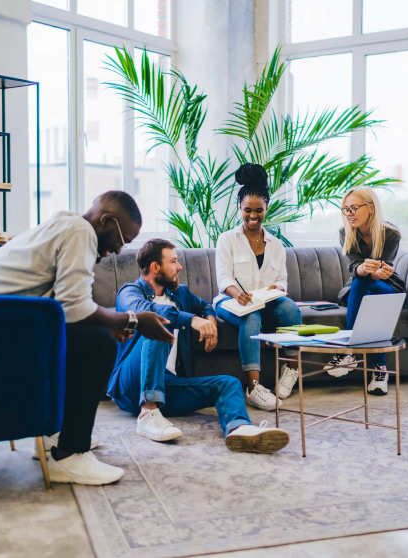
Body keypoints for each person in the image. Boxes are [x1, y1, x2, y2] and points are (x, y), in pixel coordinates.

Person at [0, 191, 174, 484]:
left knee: (89, 335)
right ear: (107, 221)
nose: (119, 251)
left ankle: (53, 434)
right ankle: (69, 455)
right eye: (122, 240)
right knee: (98, 345)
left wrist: (108, 320)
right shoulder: (79, 232)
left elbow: (65, 305)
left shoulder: (69, 225)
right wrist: (133, 320)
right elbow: (74, 306)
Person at [108, 239, 291, 453]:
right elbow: (151, 311)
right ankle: (148, 412)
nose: (179, 266)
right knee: (158, 327)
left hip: (168, 383)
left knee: (228, 383)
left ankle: (240, 429)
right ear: (155, 267)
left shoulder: (180, 293)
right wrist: (193, 320)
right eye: (173, 261)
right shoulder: (129, 292)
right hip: (132, 383)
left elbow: (204, 305)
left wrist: (210, 321)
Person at [214, 163, 302, 411]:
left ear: (266, 208)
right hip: (230, 303)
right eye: (247, 211)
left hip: (264, 301)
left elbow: (283, 279)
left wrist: (278, 287)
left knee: (290, 309)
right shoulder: (227, 239)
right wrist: (237, 294)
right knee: (250, 316)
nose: (253, 216)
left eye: (259, 211)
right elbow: (224, 279)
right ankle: (253, 387)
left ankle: (291, 368)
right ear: (239, 208)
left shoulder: (276, 244)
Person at [324, 186, 405, 395]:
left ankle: (348, 350)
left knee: (365, 285)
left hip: (386, 287)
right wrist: (362, 269)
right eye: (345, 209)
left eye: (354, 208)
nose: (349, 214)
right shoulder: (346, 233)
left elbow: (381, 270)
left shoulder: (391, 234)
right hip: (362, 288)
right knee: (362, 285)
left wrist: (379, 273)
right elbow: (354, 269)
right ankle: (380, 370)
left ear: (370, 207)